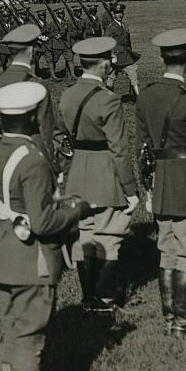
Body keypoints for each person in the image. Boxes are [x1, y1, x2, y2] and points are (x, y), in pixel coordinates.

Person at [0, 81, 92, 371]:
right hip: (32, 260)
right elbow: (43, 222)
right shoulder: (33, 159)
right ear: (33, 118)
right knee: (31, 338)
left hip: (1, 255)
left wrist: (3, 243)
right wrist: (77, 210)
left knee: (12, 331)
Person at [136, 28, 186, 337]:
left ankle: (171, 321)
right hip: (184, 184)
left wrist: (148, 188)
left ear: (160, 58)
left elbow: (140, 147)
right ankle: (182, 321)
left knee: (167, 249)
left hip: (160, 183)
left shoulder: (146, 96)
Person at [60, 37, 138, 315]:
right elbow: (119, 148)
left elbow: (61, 138)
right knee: (109, 236)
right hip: (104, 171)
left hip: (78, 172)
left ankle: (87, 297)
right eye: (110, 62)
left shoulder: (67, 95)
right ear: (104, 64)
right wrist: (130, 189)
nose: (112, 67)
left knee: (85, 236)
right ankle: (104, 299)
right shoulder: (109, 100)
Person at [0, 24, 63, 177]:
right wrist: (53, 164)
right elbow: (46, 128)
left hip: (3, 152)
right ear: (32, 50)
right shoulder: (37, 84)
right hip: (32, 153)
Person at [105, 3, 140, 101]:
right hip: (115, 57)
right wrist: (112, 56)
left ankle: (137, 97)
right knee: (111, 77)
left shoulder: (125, 25)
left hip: (126, 56)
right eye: (117, 13)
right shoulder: (111, 27)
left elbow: (128, 42)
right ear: (113, 14)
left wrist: (131, 54)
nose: (119, 15)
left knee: (133, 74)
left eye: (121, 13)